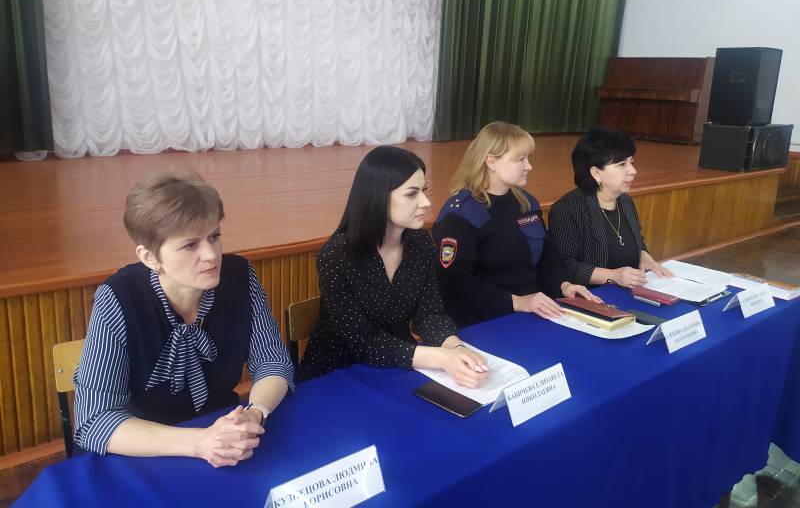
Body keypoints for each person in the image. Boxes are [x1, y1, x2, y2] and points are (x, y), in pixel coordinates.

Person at [74, 173, 294, 468]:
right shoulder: (119, 297)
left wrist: (255, 413)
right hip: (143, 450)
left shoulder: (240, 276)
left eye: (214, 236)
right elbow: (95, 420)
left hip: (221, 435)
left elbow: (273, 362)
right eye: (190, 245)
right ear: (149, 257)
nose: (211, 255)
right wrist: (199, 442)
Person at [296, 146, 489, 388]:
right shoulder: (335, 256)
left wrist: (455, 347)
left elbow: (430, 314)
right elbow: (363, 342)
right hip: (337, 374)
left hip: (398, 362)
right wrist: (441, 358)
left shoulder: (420, 243)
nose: (426, 202)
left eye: (423, 191)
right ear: (377, 197)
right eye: (411, 194)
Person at [432, 122, 598, 328]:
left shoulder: (526, 203)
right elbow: (456, 285)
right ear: (491, 162)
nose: (529, 166)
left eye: (528, 158)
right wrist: (518, 302)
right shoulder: (461, 214)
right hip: (484, 322)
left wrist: (564, 285)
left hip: (535, 311)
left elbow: (547, 257)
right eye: (520, 159)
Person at [548, 127, 673, 288]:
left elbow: (636, 242)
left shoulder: (625, 201)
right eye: (622, 164)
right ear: (596, 173)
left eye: (631, 162)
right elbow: (564, 266)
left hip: (629, 289)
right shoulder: (567, 209)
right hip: (593, 295)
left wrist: (645, 257)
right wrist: (613, 276)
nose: (633, 171)